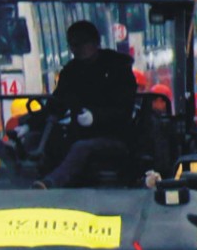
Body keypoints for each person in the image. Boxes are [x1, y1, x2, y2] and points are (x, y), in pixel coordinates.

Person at [37, 19, 142, 187]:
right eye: (73, 45)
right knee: (47, 139)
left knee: (81, 147)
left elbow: (124, 109)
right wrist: (29, 123)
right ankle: (22, 183)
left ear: (96, 42)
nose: (78, 49)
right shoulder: (71, 72)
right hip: (78, 133)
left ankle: (50, 183)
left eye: (82, 43)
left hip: (116, 137)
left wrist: (95, 116)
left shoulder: (118, 69)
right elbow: (57, 104)